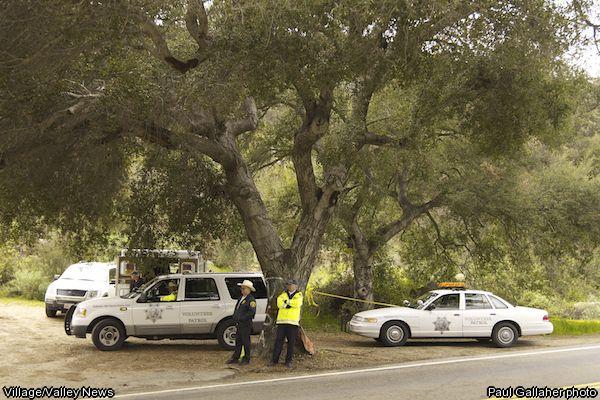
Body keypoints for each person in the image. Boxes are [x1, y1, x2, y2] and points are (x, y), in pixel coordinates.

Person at [271, 279, 303, 368]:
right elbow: (279, 303)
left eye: (291, 285)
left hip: (292, 323)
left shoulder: (299, 295)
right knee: (278, 342)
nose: (289, 286)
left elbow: (297, 304)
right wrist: (287, 304)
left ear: (295, 286)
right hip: (281, 322)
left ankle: (288, 361)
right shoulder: (283, 294)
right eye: (288, 285)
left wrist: (286, 302)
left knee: (291, 343)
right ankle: (274, 361)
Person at [226, 280, 257, 365]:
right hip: (239, 323)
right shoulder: (241, 298)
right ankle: (236, 357)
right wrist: (235, 317)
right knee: (238, 341)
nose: (242, 290)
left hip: (246, 324)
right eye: (241, 288)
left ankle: (246, 359)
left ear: (249, 289)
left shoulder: (251, 300)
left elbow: (251, 312)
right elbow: (238, 309)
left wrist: (242, 318)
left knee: (246, 342)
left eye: (244, 288)